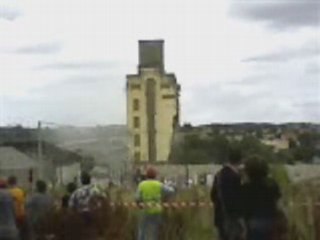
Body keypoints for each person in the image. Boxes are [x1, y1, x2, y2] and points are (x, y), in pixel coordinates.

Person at [242, 155, 282, 240]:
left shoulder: (246, 187)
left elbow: (243, 206)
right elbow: (278, 201)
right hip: (271, 220)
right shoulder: (272, 184)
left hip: (253, 222)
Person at [211, 147, 244, 240]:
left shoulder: (219, 174)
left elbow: (213, 195)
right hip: (232, 218)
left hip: (220, 215)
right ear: (240, 160)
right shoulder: (235, 177)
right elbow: (236, 198)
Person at [136, 167, 174, 240]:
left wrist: (139, 205)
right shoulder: (158, 184)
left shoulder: (142, 185)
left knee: (142, 230)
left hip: (145, 210)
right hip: (156, 210)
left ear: (146, 175)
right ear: (155, 175)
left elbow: (137, 197)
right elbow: (171, 191)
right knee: (154, 231)